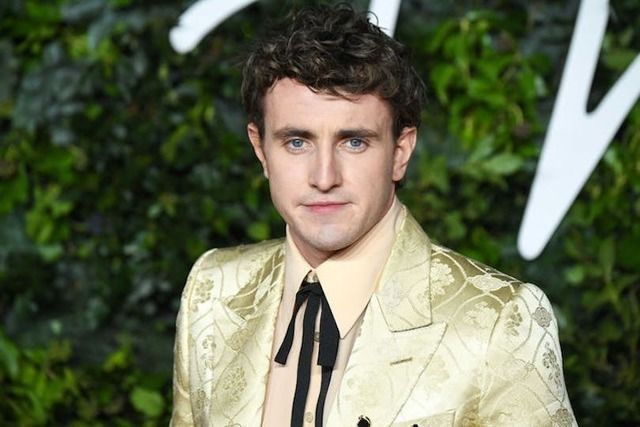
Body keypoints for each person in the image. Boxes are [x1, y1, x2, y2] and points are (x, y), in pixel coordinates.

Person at [170, 3, 576, 426]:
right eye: (297, 142)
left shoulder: (500, 321)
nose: (324, 177)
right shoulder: (211, 290)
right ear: (261, 149)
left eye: (354, 142)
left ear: (400, 152)